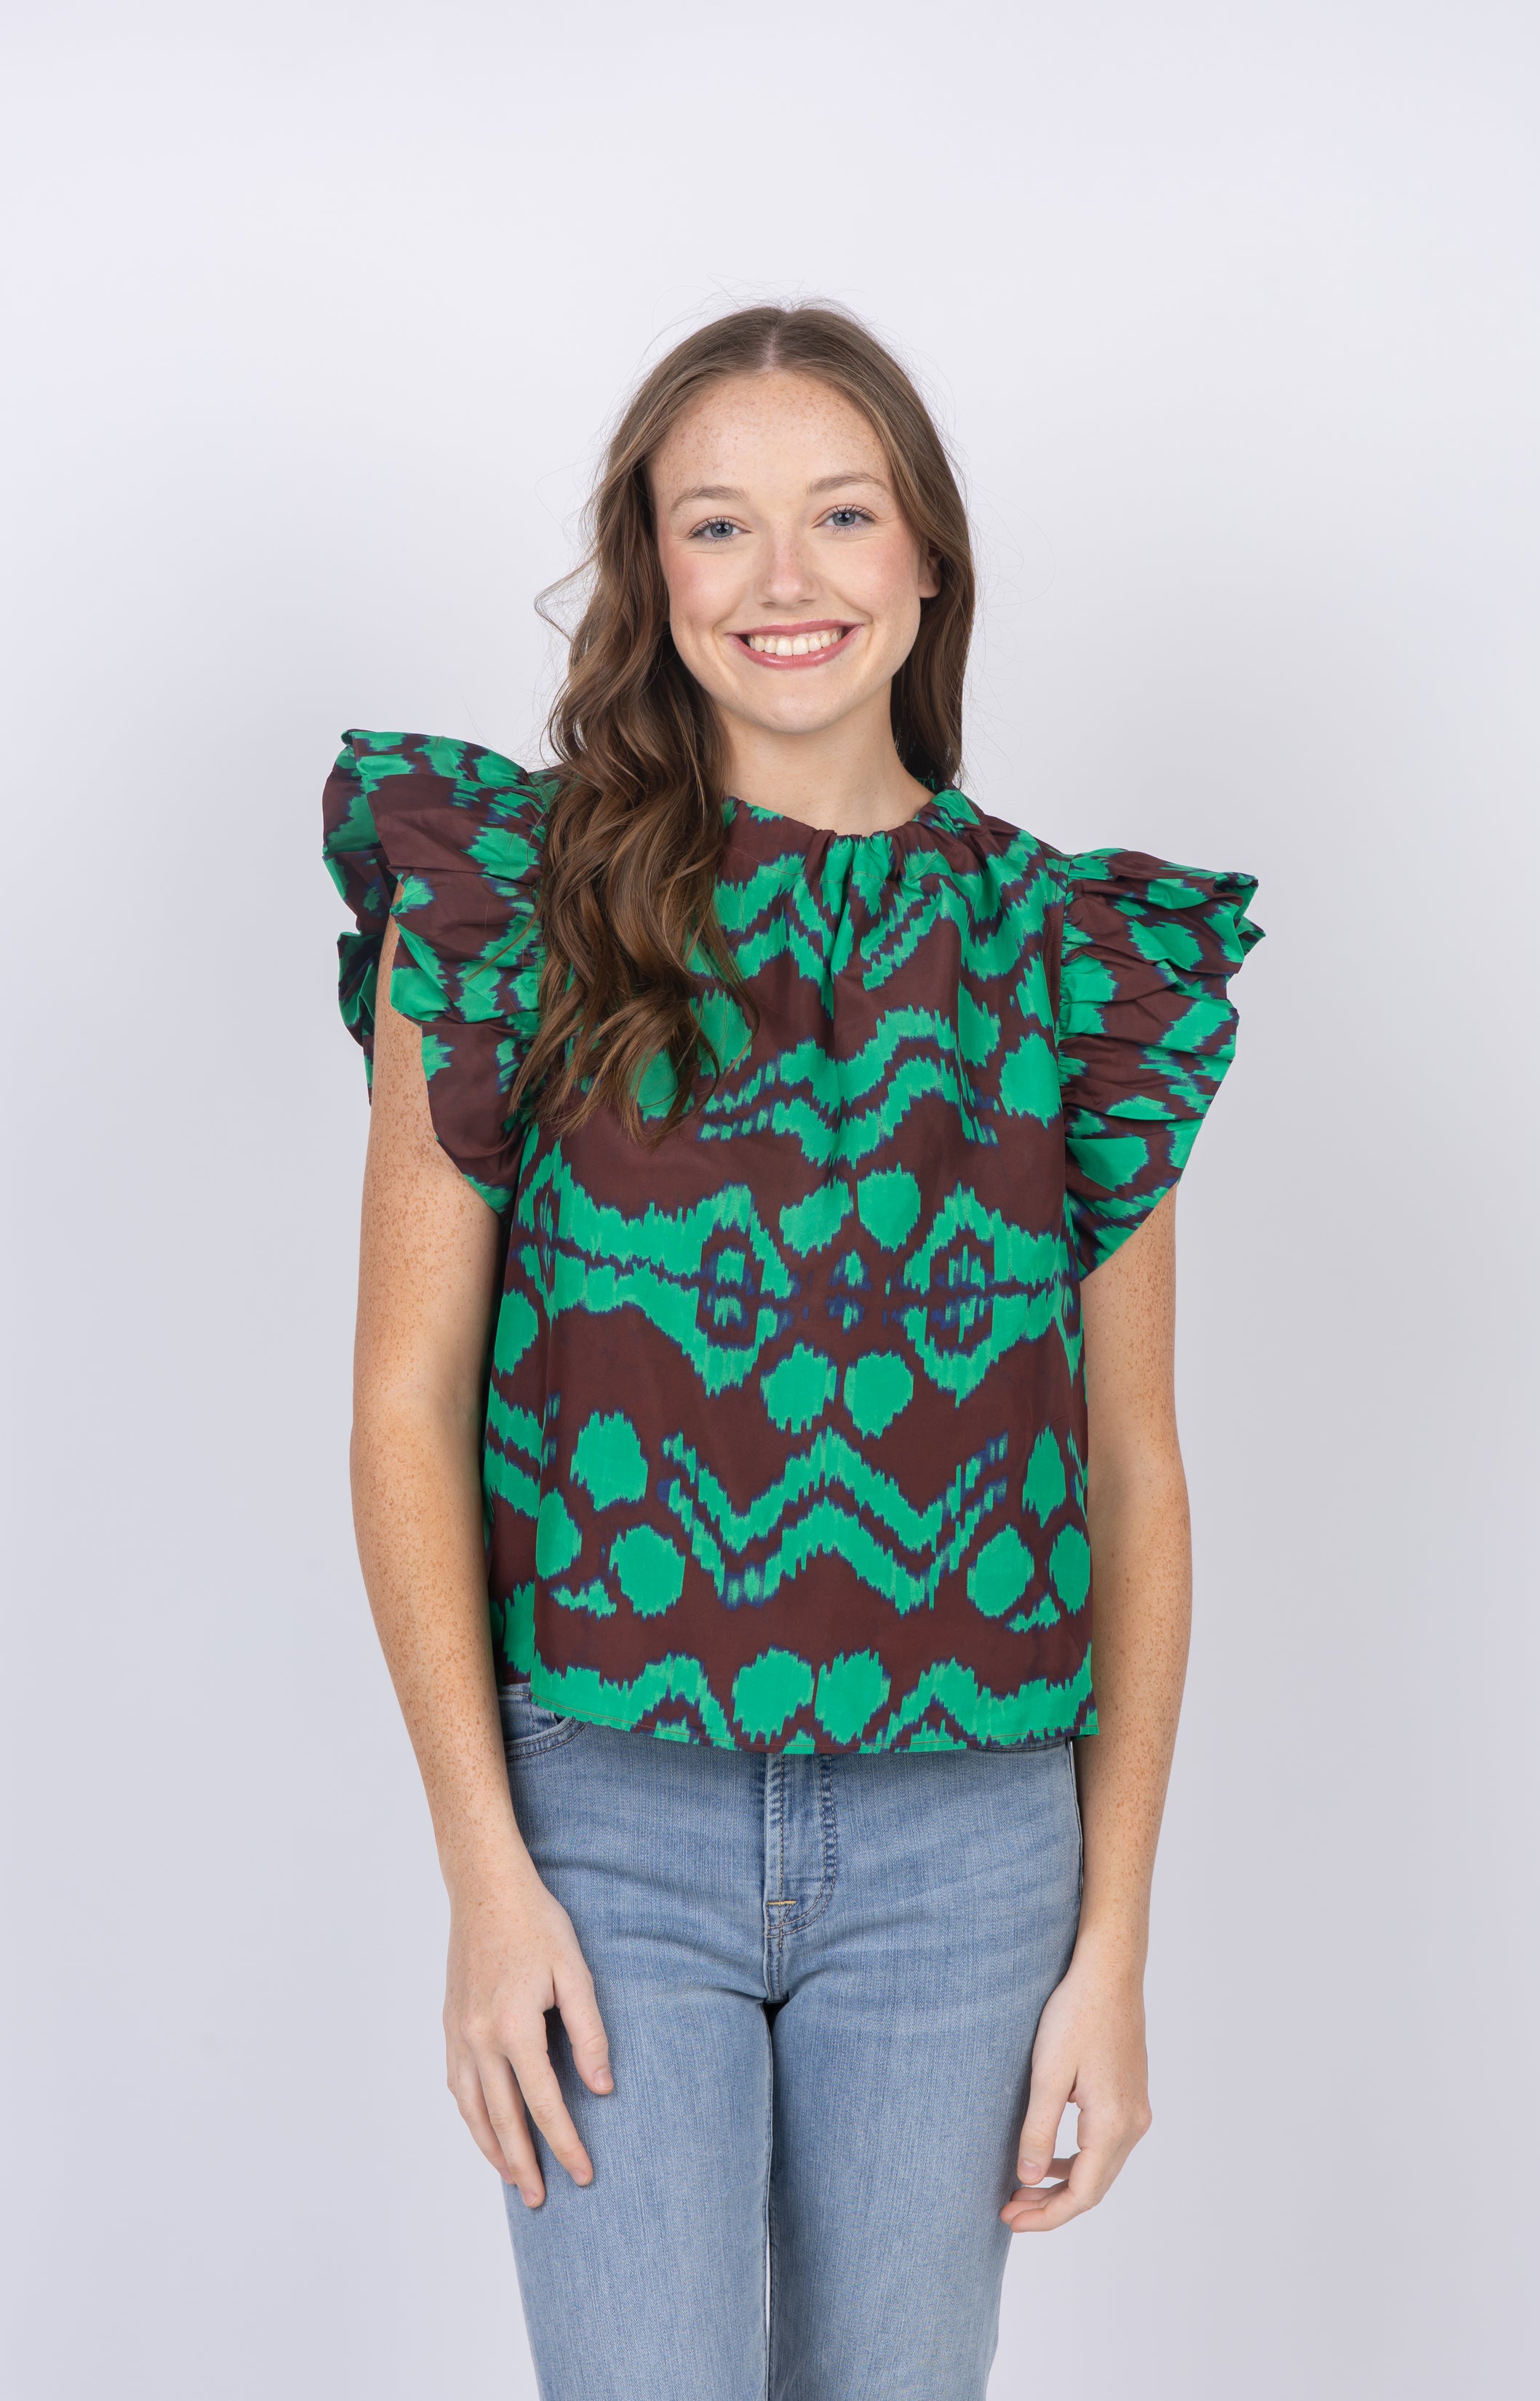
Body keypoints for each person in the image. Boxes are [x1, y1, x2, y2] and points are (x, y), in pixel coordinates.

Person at [322, 302, 1260, 2400]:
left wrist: (1115, 1942)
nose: (783, 577)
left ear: (926, 557)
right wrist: (484, 1869)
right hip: (605, 1818)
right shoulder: (511, 911)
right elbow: (405, 1402)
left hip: (969, 1849)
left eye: (840, 514)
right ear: (653, 568)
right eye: (716, 522)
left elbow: (1132, 1465)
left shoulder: (1073, 960)